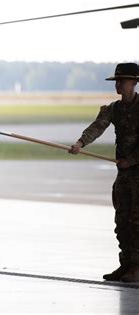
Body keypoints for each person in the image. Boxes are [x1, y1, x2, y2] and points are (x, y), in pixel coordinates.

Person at [69, 62, 139, 282]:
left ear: (135, 83)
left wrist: (132, 160)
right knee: (121, 220)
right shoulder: (114, 109)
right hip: (124, 174)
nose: (118, 85)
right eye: (117, 81)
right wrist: (81, 143)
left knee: (137, 222)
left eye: (123, 81)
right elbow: (97, 126)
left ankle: (137, 267)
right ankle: (125, 264)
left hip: (137, 172)